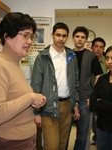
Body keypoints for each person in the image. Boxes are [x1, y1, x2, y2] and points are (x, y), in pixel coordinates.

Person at [0, 12, 47, 150]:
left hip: (23, 141)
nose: (29, 41)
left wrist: (35, 99)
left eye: (31, 36)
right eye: (25, 35)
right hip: (8, 143)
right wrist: (30, 97)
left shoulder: (14, 63)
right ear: (7, 37)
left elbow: (15, 99)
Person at [31, 22, 80, 150]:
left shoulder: (71, 55)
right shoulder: (43, 57)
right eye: (58, 35)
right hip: (48, 106)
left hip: (67, 106)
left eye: (64, 36)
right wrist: (36, 113)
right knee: (52, 146)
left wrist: (75, 104)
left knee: (63, 145)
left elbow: (75, 81)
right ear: (52, 35)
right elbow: (36, 84)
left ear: (67, 37)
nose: (61, 38)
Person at [72, 26, 103, 150]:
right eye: (77, 36)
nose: (80, 39)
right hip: (68, 98)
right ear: (73, 38)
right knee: (64, 132)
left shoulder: (91, 56)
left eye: (83, 37)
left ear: (86, 40)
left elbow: (98, 77)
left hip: (85, 99)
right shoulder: (67, 54)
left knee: (82, 135)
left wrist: (93, 96)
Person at [89, 37, 107, 146]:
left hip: (102, 96)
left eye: (101, 47)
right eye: (96, 46)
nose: (98, 49)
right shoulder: (89, 60)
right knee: (90, 122)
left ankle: (99, 139)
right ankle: (95, 137)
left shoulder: (107, 61)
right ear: (92, 47)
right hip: (89, 94)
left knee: (99, 120)